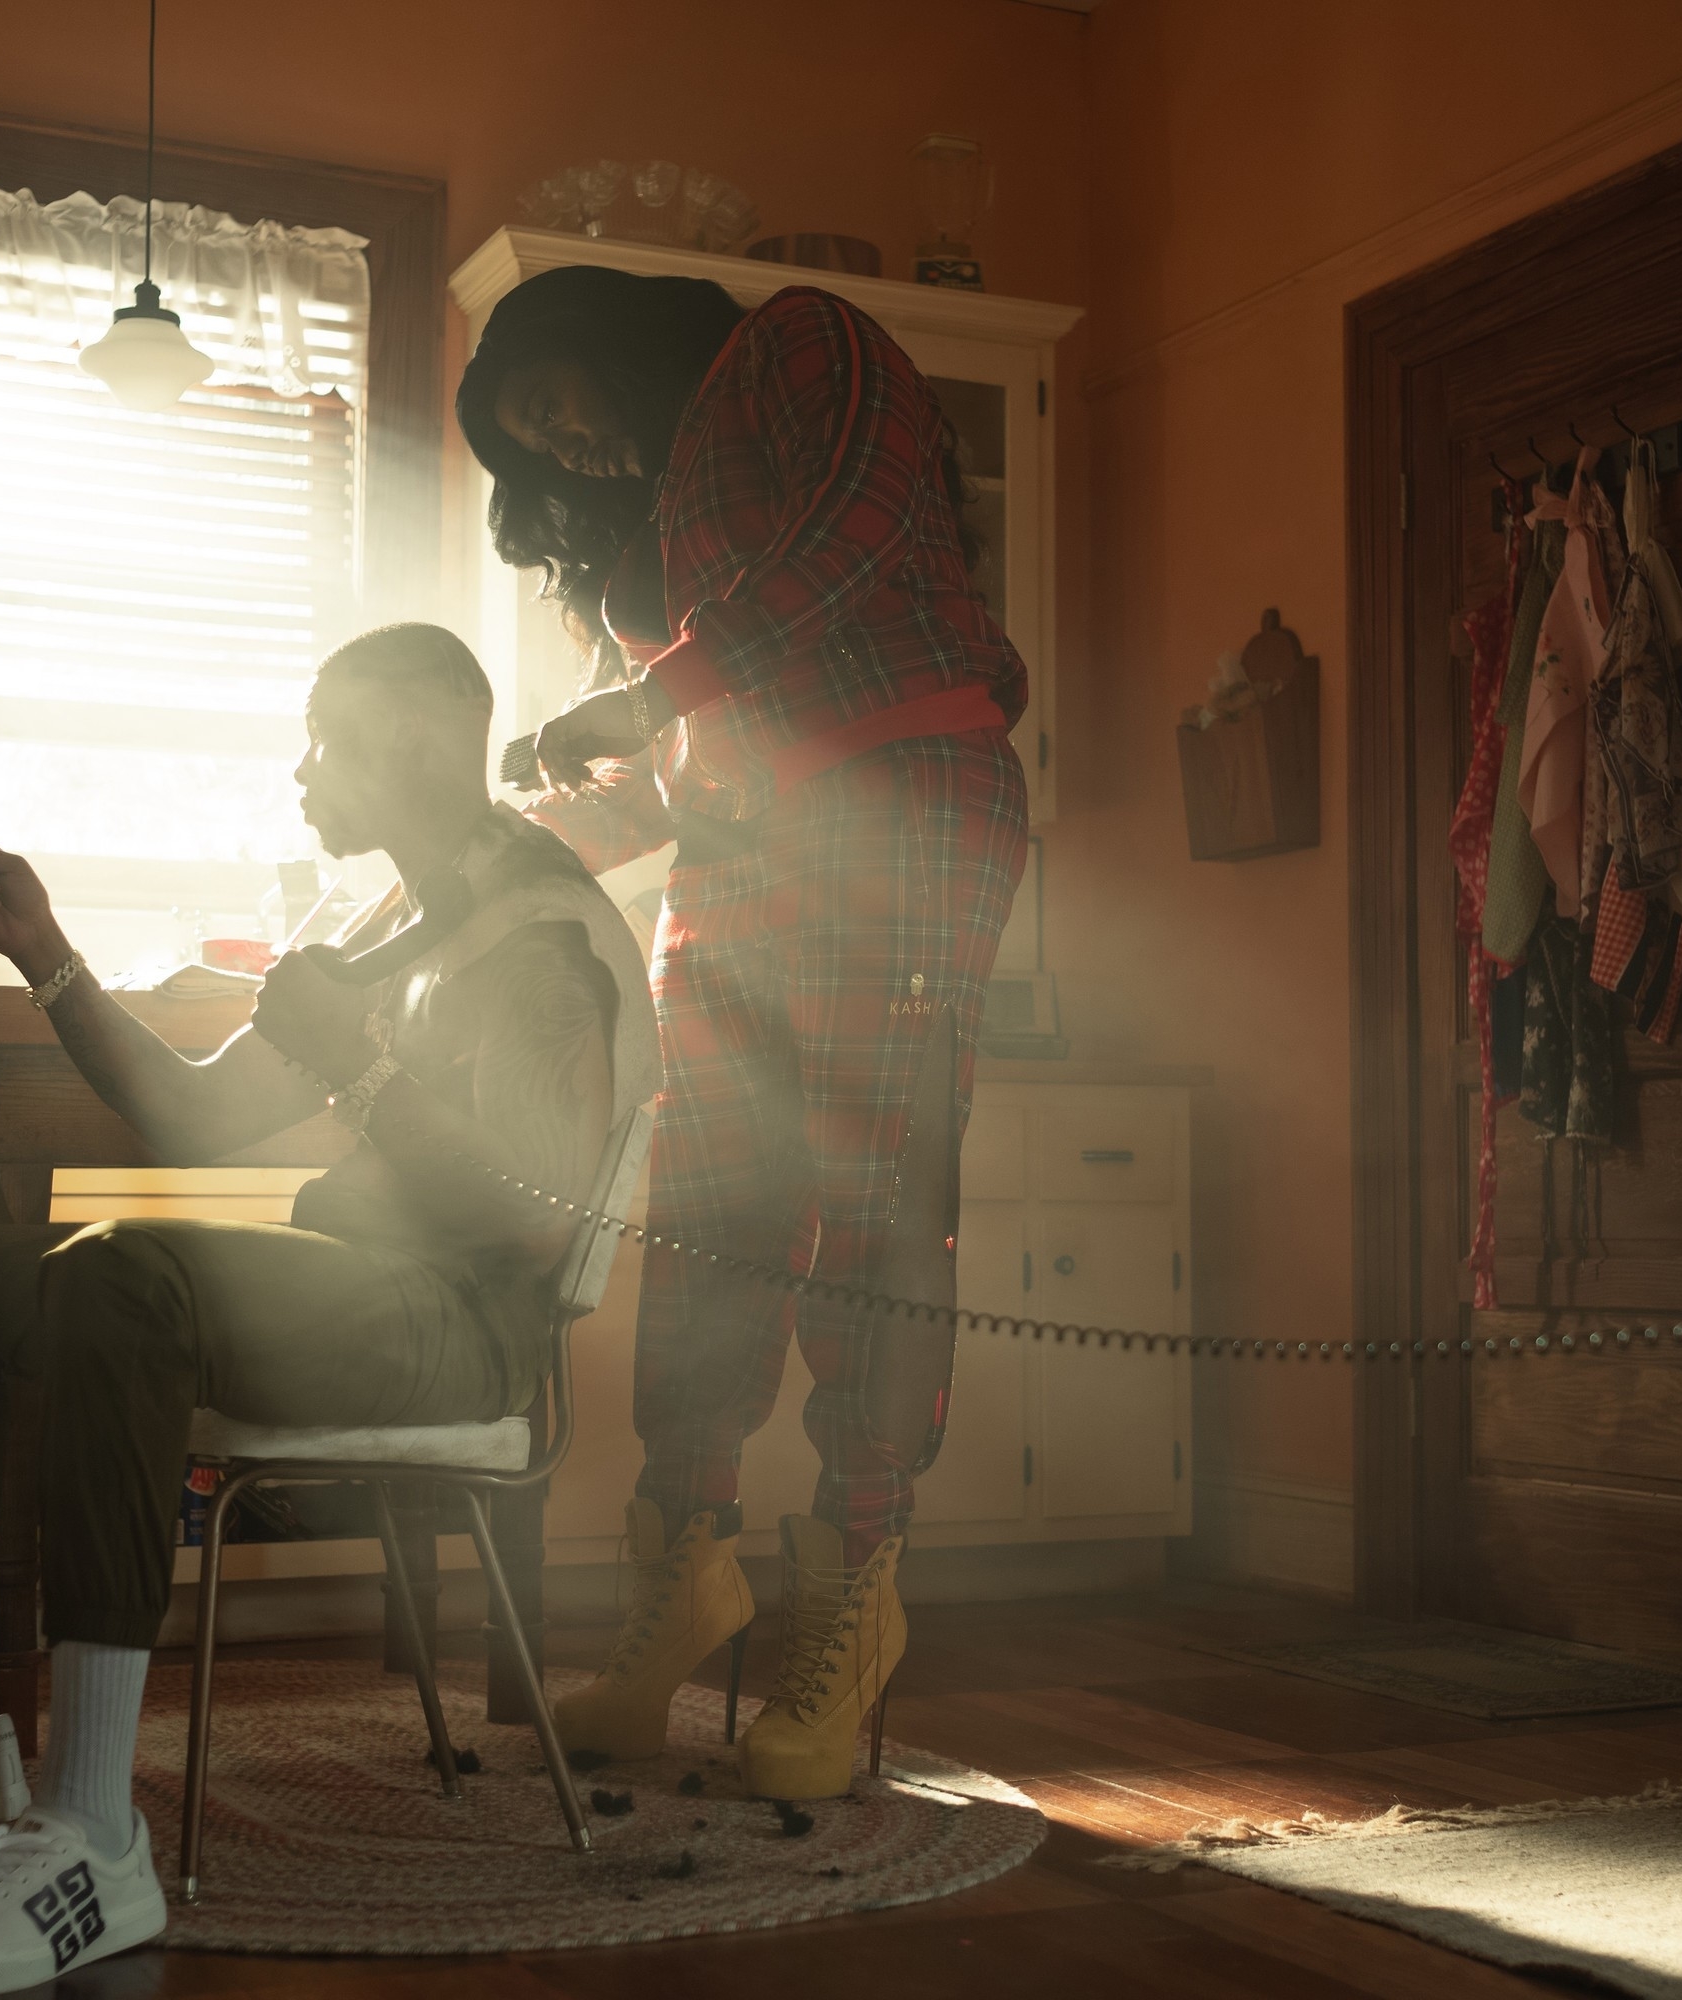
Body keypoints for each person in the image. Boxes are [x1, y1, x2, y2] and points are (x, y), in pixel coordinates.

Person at [0, 623, 654, 1998]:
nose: (302, 769)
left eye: (326, 737)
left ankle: (94, 1834)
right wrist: (45, 949)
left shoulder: (538, 928)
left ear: (413, 735)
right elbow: (194, 1114)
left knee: (118, 1273)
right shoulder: (380, 925)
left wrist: (365, 1072)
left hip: (464, 1329)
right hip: (366, 1281)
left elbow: (533, 1213)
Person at [456, 265, 1029, 1799]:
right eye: (535, 445)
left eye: (553, 402)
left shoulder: (800, 343)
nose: (564, 444)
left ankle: (855, 1585)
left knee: (875, 1207)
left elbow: (844, 546)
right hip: (748, 856)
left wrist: (652, 700)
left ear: (600, 335)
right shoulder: (668, 544)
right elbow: (687, 756)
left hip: (907, 804)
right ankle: (686, 1575)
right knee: (711, 1218)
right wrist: (492, 838)